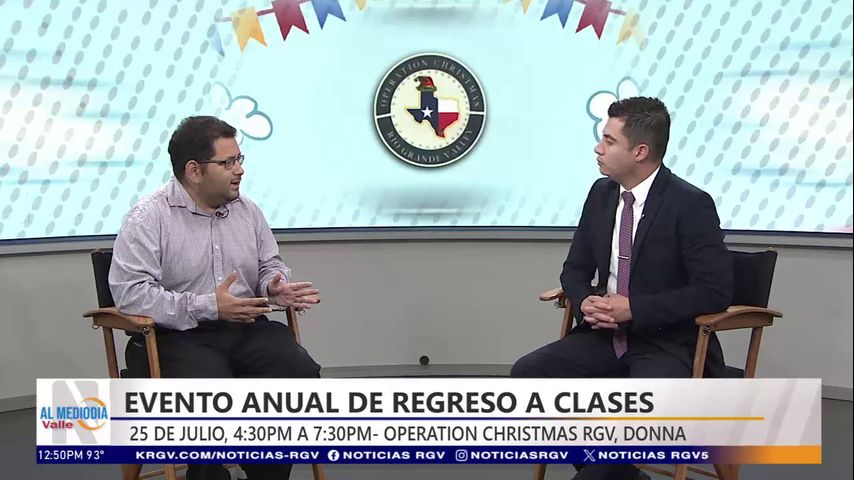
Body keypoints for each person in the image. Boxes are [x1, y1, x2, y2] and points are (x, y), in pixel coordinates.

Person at [510, 97, 733, 480]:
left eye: (609, 141)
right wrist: (585, 301)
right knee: (529, 375)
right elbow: (574, 270)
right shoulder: (601, 194)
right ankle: (622, 475)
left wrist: (634, 309)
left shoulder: (690, 205)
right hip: (603, 337)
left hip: (666, 345)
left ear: (640, 151)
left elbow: (714, 291)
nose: (598, 148)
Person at [110, 116, 321, 480]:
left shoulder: (248, 211)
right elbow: (131, 294)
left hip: (245, 329)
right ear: (194, 170)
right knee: (209, 395)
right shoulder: (148, 218)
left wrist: (274, 285)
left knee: (296, 372)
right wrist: (209, 305)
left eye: (240, 159)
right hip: (175, 337)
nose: (240, 170)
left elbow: (270, 264)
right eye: (228, 163)